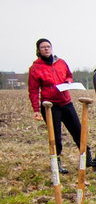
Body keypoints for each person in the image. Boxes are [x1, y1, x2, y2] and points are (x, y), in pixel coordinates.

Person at [28, 39, 83, 172]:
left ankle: (86, 158)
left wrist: (68, 80)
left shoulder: (61, 62)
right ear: (38, 50)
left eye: (48, 46)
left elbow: (69, 75)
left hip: (66, 102)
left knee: (78, 130)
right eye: (43, 47)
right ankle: (56, 162)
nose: (46, 49)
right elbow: (33, 90)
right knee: (55, 136)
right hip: (50, 106)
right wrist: (36, 109)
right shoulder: (35, 68)